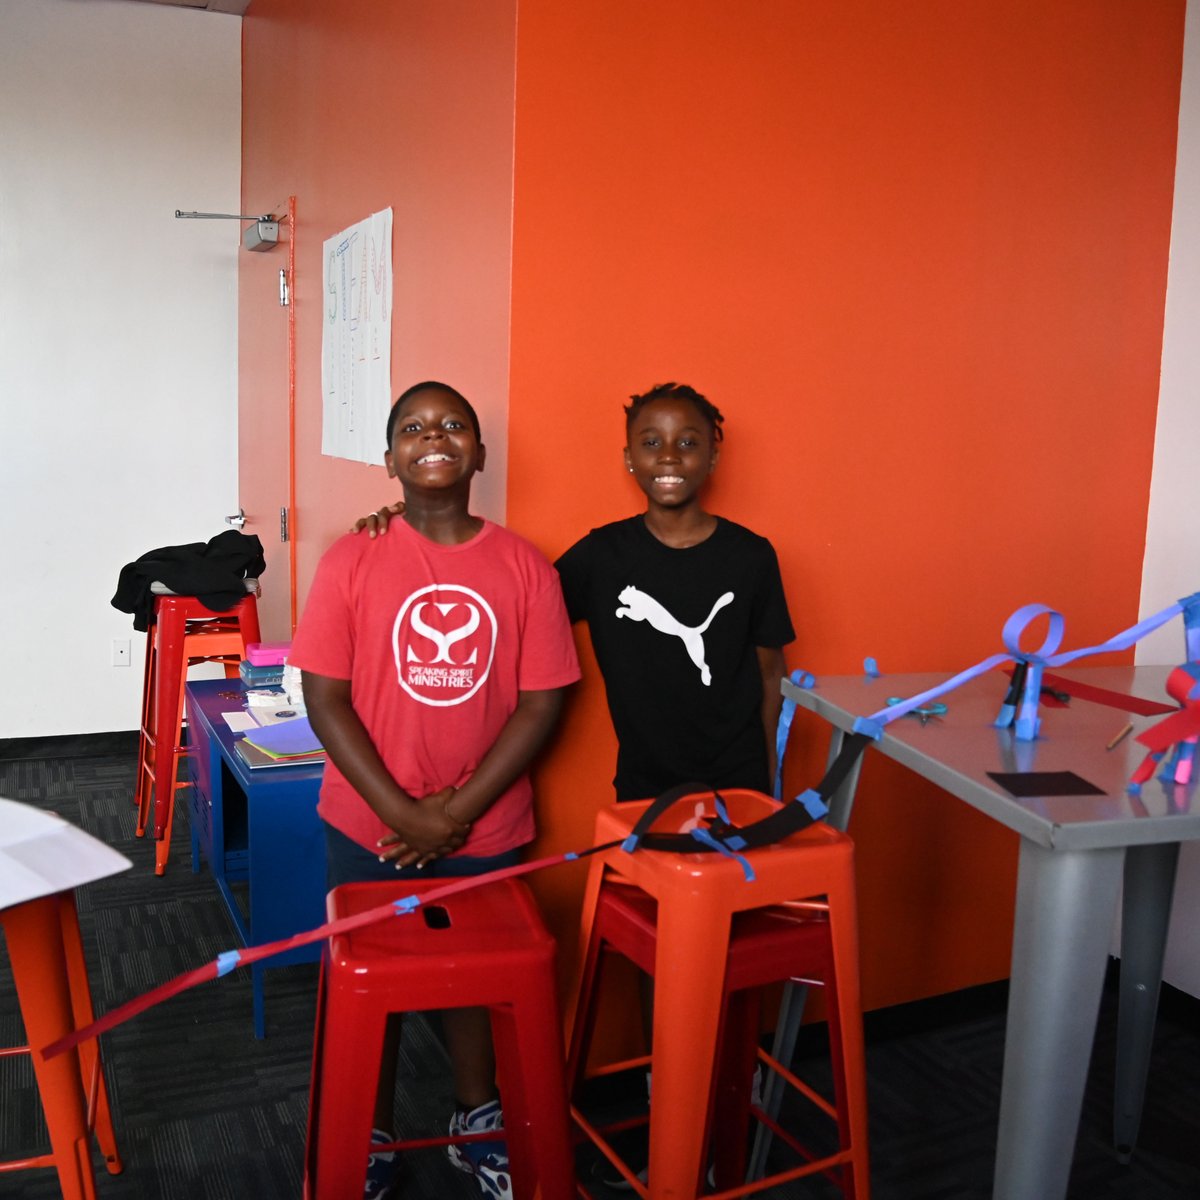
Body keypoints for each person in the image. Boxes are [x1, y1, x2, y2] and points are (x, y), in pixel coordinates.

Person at [291, 381, 580, 1200]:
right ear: (390, 460)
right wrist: (399, 812)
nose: (435, 436)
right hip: (365, 825)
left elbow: (542, 701)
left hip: (485, 826)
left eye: (454, 425)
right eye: (413, 427)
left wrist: (452, 814)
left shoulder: (523, 565)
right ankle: (368, 1130)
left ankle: (474, 1120)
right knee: (365, 983)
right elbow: (325, 696)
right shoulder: (353, 557)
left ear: (479, 454)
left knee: (478, 982)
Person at [356, 381, 794, 800]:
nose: (669, 458)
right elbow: (513, 612)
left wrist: (769, 768)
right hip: (644, 785)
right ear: (629, 458)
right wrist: (410, 517)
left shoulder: (751, 557)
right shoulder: (601, 556)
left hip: (741, 781)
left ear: (713, 457)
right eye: (651, 442)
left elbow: (770, 671)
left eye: (688, 442)